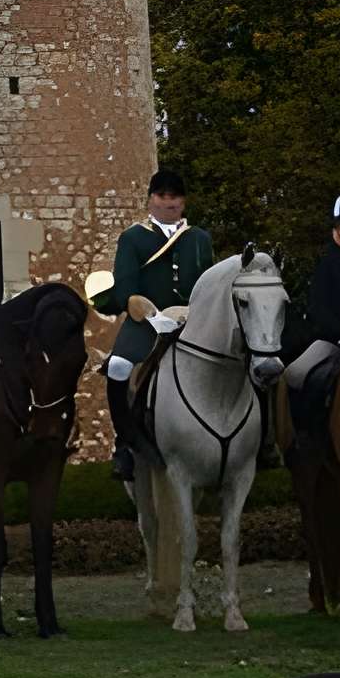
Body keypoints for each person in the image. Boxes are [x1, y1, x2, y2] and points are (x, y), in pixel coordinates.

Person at [91, 169, 212, 480]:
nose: (168, 203)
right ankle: (125, 444)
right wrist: (136, 304)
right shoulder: (133, 238)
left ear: (183, 202)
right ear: (150, 201)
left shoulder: (199, 238)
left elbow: (208, 283)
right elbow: (124, 288)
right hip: (146, 323)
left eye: (174, 197)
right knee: (118, 365)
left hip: (191, 321)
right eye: (162, 196)